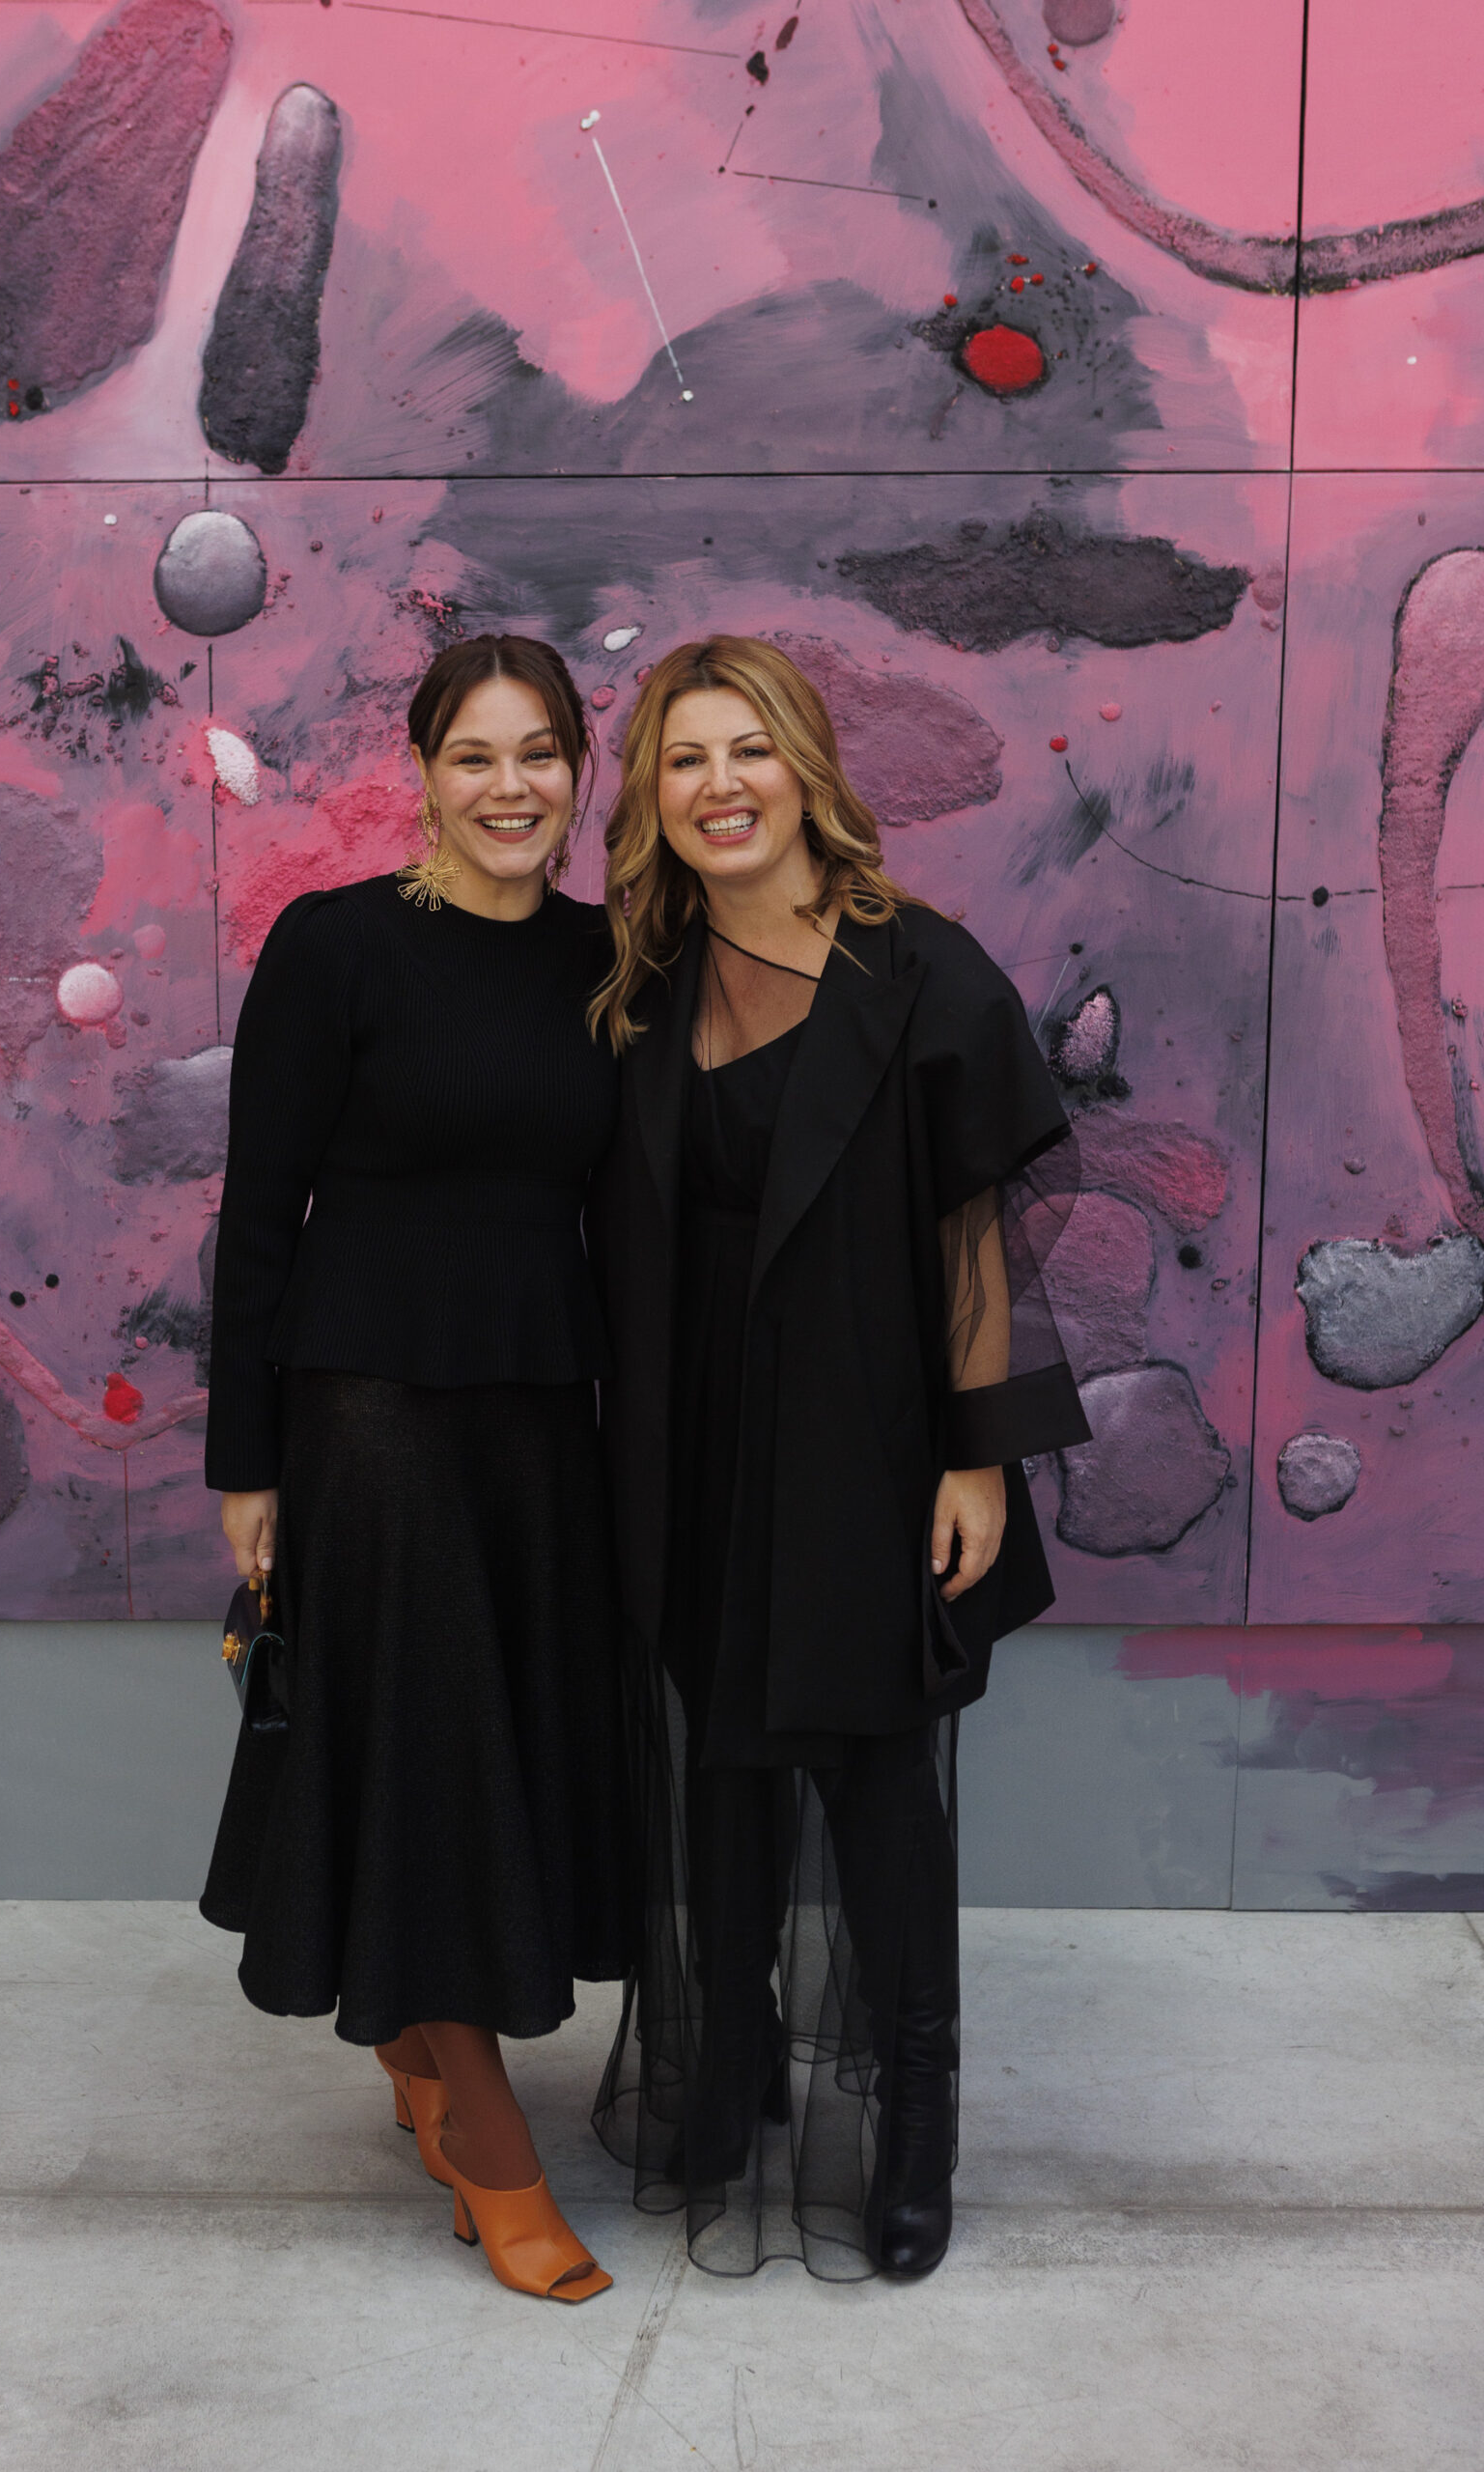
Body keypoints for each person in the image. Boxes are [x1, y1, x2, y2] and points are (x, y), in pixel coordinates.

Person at [584, 636, 1090, 2282]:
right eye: (684, 759)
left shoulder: (920, 972)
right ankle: (735, 2065)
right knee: (721, 1768)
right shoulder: (642, 979)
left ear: (806, 770)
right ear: (653, 797)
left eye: (748, 750)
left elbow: (970, 1236)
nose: (719, 785)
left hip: (865, 1437)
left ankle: (917, 2114)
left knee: (877, 1785)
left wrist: (975, 1459)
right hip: (687, 1439)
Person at [200, 635, 630, 2303]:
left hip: (541, 1422)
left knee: (488, 1748)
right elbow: (259, 1215)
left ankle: (415, 2038)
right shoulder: (338, 946)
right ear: (423, 774)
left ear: (578, 770)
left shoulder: (611, 957)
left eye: (539, 755)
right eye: (475, 756)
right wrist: (248, 1464)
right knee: (434, 1764)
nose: (510, 787)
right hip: (369, 1411)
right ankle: (493, 2151)